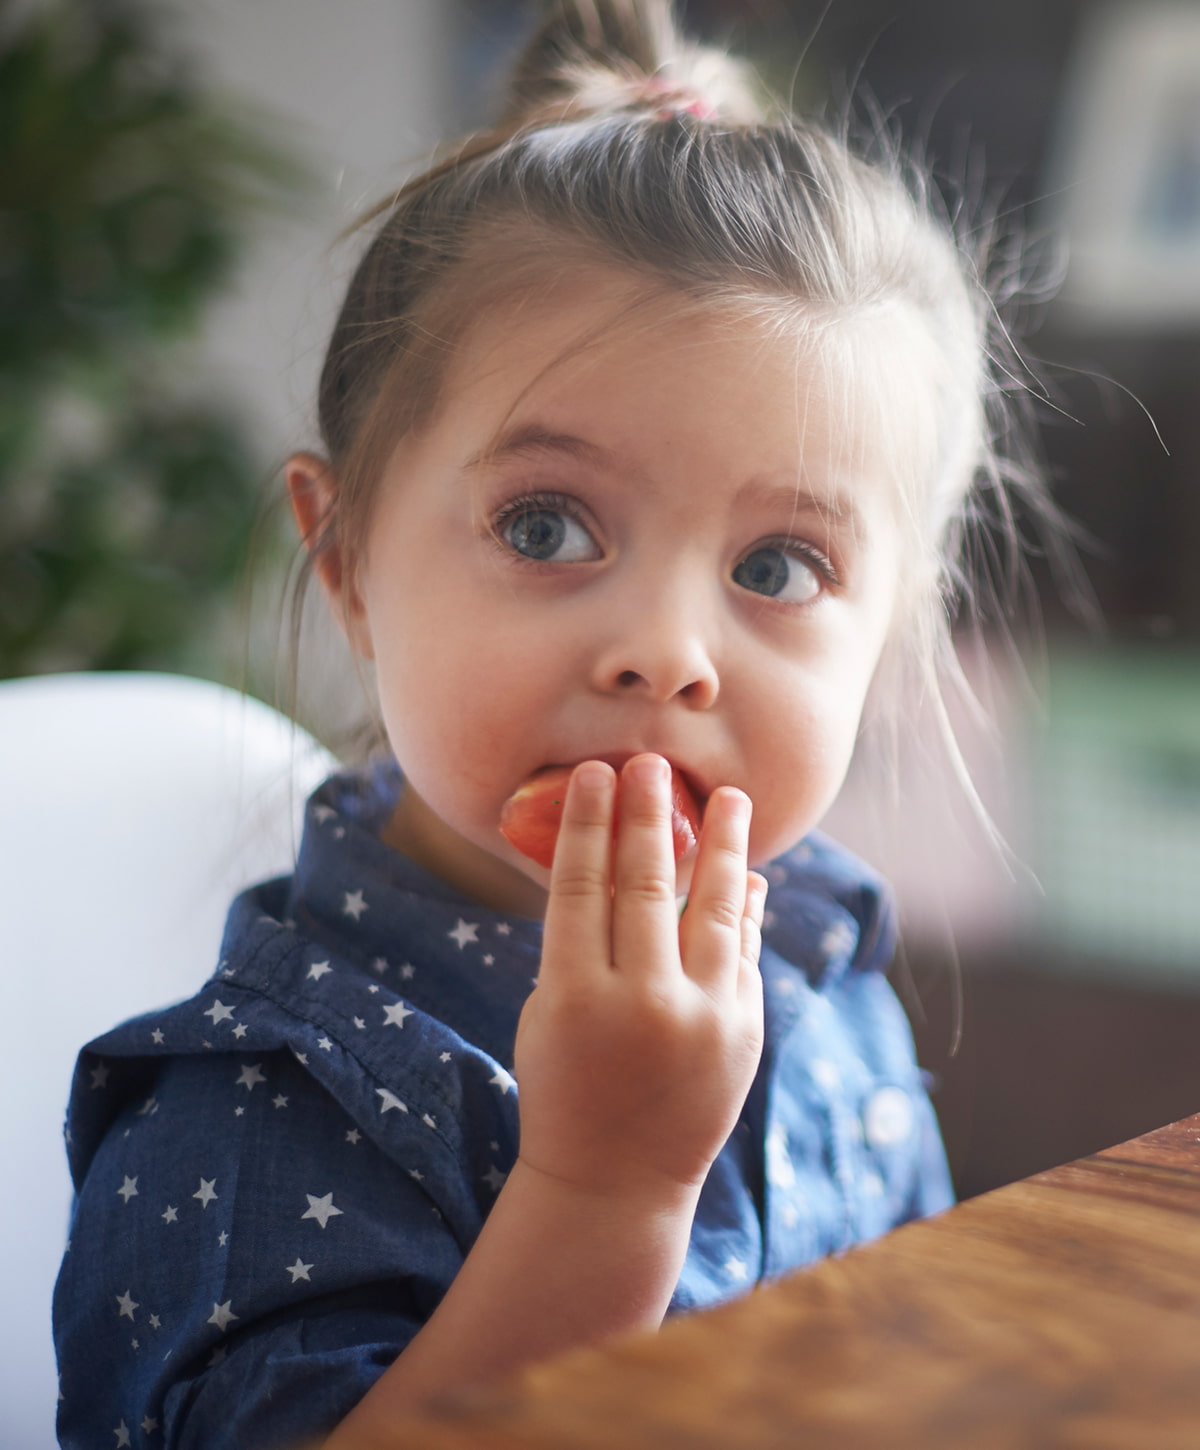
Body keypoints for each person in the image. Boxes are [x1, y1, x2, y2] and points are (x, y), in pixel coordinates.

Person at [54, 2, 1037, 1445]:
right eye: (546, 523)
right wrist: (606, 1191)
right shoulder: (253, 1116)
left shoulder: (819, 962)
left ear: (888, 639)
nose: (664, 654)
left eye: (778, 567)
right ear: (348, 564)